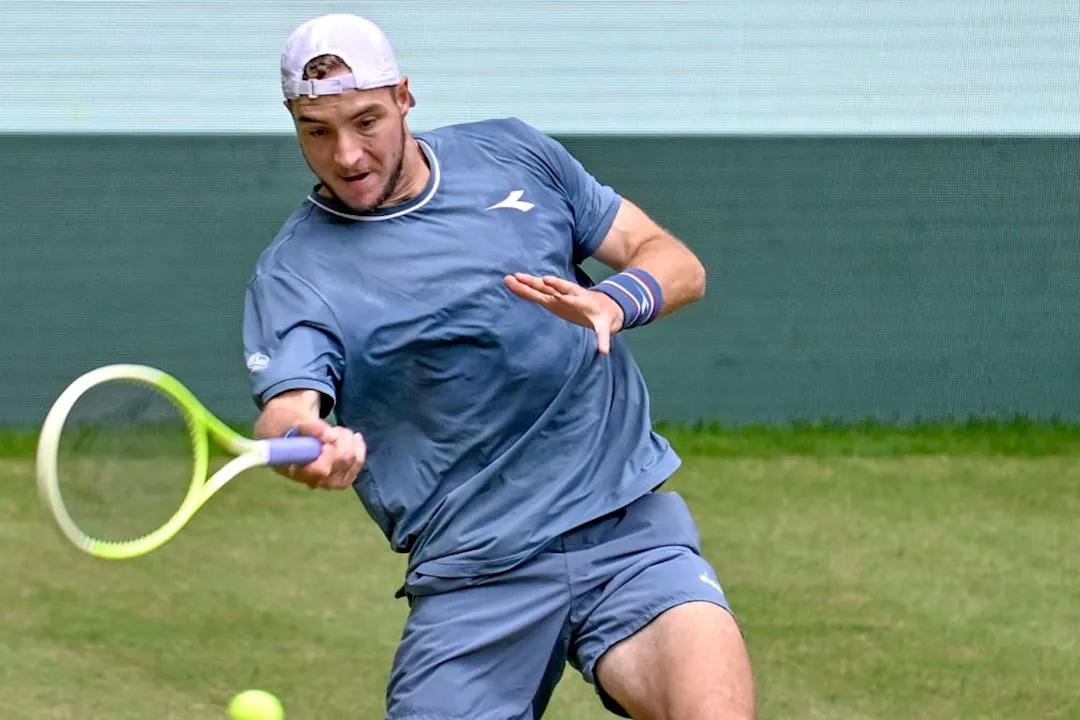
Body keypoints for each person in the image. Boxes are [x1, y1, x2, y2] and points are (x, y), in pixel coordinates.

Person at [242, 13, 755, 720]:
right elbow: (290, 407)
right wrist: (307, 442)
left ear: (404, 97)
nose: (349, 155)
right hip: (474, 574)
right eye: (317, 131)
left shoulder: (513, 155)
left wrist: (612, 302)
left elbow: (673, 261)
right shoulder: (296, 271)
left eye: (367, 121)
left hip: (626, 530)